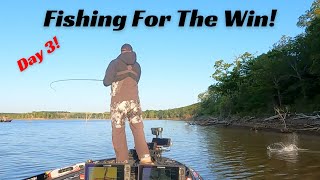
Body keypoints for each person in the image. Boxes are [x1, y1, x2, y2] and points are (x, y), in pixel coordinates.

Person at [103, 43, 153, 164]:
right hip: (134, 102)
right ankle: (145, 158)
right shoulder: (138, 66)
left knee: (118, 130)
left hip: (118, 102)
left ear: (121, 52)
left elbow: (106, 82)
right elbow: (137, 80)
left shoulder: (114, 63)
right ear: (132, 51)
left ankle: (122, 161)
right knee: (138, 129)